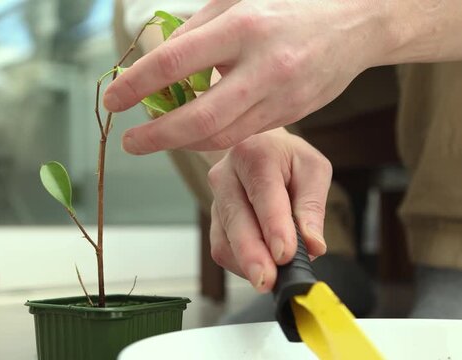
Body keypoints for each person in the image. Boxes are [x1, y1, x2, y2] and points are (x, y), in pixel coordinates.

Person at [110, 0, 462, 318]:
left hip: (422, 45)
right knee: (138, 24)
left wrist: (359, 23)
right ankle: (318, 263)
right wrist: (243, 132)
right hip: (286, 52)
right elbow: (169, 12)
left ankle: (453, 261)